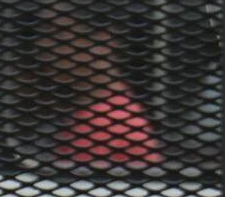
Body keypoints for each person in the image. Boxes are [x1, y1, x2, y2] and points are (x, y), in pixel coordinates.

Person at [17, 10, 162, 169]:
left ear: (101, 40)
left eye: (56, 35)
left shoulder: (104, 126)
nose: (42, 45)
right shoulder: (106, 113)